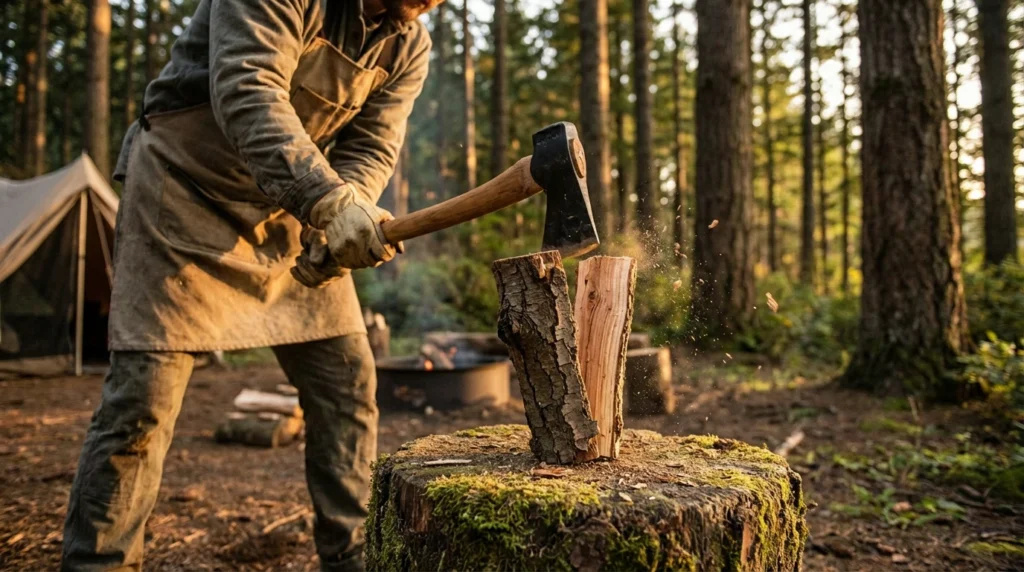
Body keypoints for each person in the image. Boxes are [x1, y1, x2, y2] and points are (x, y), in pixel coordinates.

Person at [61, 0, 442, 570]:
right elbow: (247, 87)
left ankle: (353, 558)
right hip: (183, 190)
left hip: (287, 206)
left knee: (345, 383)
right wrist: (327, 199)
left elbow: (371, 146)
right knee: (143, 399)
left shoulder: (408, 45)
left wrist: (346, 216)